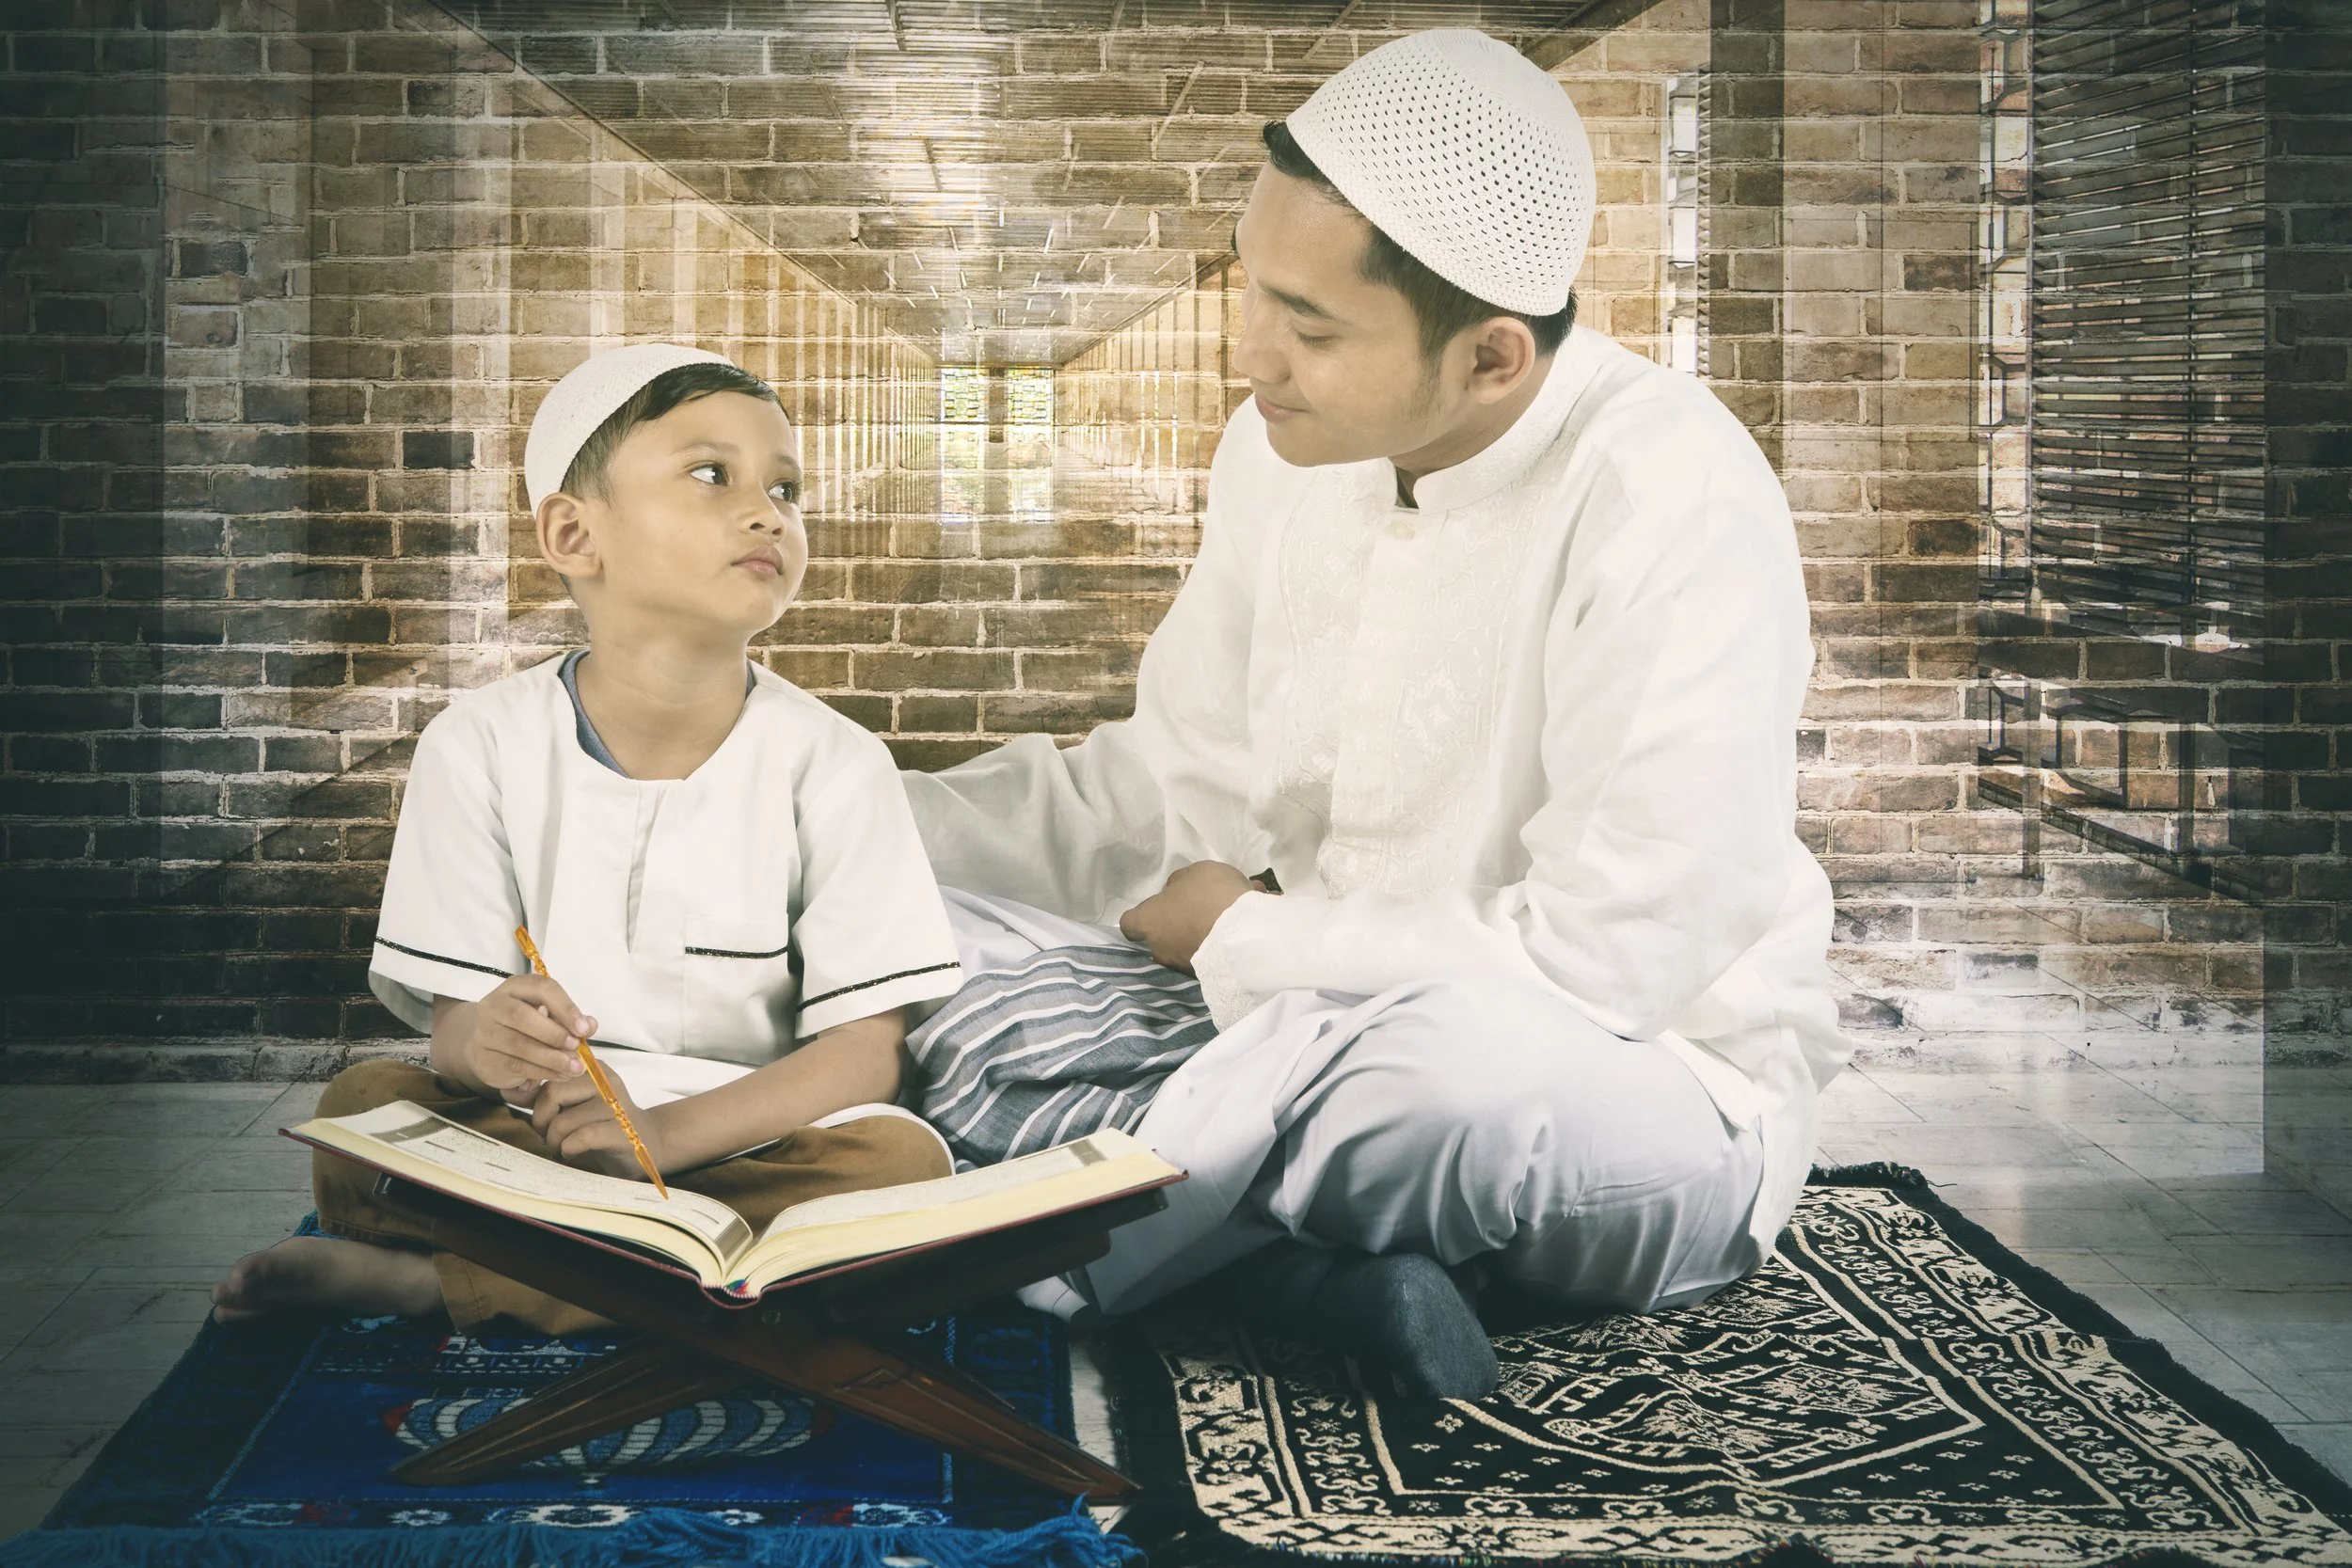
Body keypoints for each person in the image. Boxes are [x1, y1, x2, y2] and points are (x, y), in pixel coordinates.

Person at [900, 30, 1848, 1397]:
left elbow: (1611, 960)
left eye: (1310, 323)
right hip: (1277, 1018)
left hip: (1621, 1075)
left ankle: (1215, 1224)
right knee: (885, 934)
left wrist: (1249, 935)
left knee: (1436, 1095)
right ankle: (1316, 1277)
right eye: (1250, 289)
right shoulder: (1281, 451)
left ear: (1491, 359)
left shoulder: (1673, 496)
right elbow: (1162, 791)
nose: (1250, 354)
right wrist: (837, 816)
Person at [211, 344, 965, 1332]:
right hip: (539, 1134)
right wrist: (492, 1042)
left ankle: (440, 1285)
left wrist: (659, 1134)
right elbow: (452, 1038)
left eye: (786, 487)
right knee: (365, 1110)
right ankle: (675, 1274)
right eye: (712, 474)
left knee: (903, 1164)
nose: (766, 510)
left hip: (741, 1136)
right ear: (573, 532)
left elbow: (867, 1054)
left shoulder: (839, 760)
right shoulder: (475, 745)